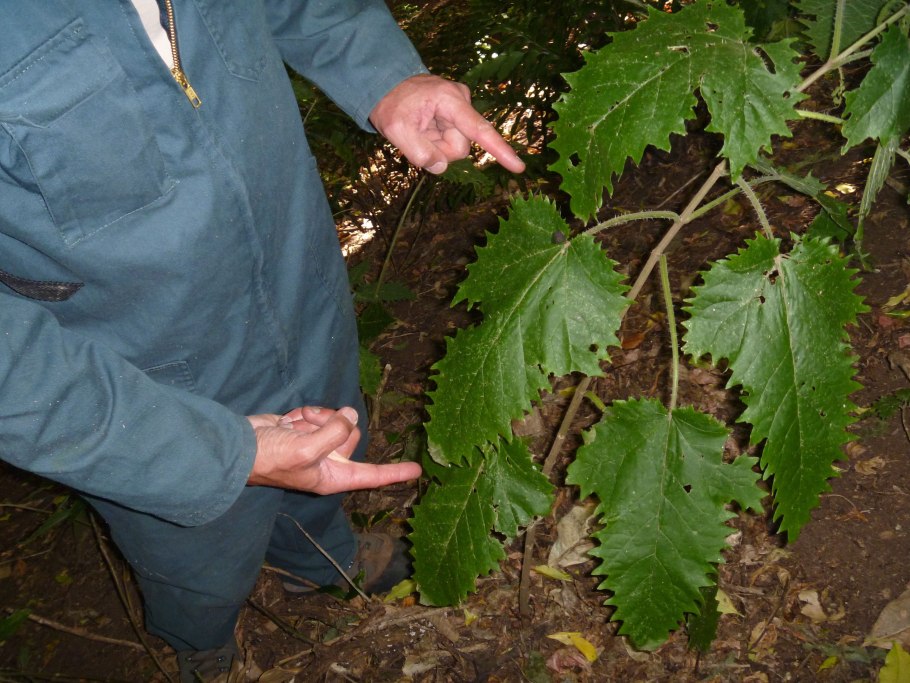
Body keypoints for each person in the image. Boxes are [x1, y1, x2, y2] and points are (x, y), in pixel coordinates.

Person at [0, 1, 524, 680]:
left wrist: (383, 76)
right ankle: (202, 642)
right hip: (142, 379)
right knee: (195, 552)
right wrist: (224, 453)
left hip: (298, 279)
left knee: (330, 438)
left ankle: (320, 557)